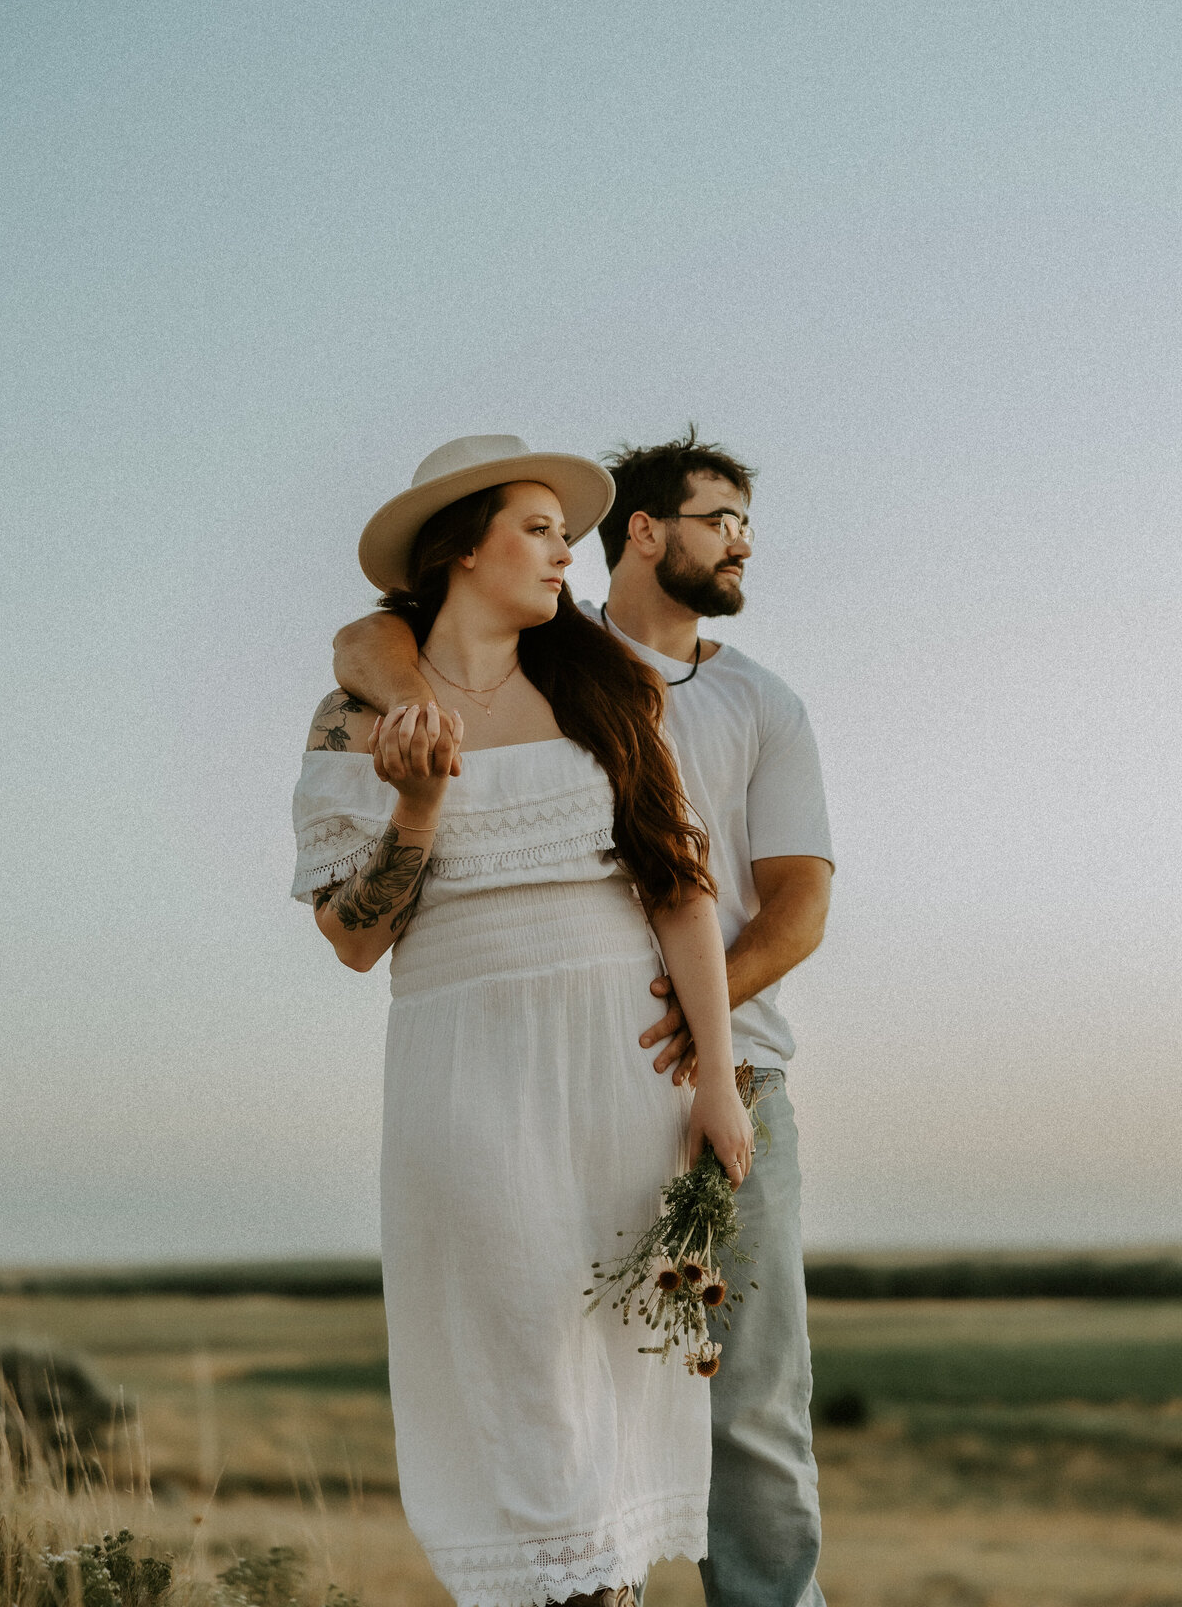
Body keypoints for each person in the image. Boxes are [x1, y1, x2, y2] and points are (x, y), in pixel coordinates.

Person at [333, 428, 835, 1607]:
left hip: (722, 1067)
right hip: (545, 1081)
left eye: (748, 525)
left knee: (752, 1415)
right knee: (559, 1406)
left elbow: (793, 901)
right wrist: (417, 728)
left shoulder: (762, 700)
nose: (743, 543)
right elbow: (368, 633)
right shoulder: (549, 653)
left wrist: (692, 1027)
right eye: (719, 519)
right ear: (647, 533)